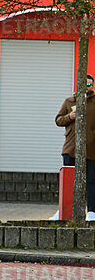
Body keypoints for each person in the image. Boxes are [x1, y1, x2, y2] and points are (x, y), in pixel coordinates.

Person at [55, 74, 95, 220]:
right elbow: (58, 120)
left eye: (89, 85)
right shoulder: (69, 101)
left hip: (91, 149)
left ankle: (91, 212)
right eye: (83, 84)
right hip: (71, 148)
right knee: (68, 180)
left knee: (91, 180)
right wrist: (69, 117)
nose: (86, 87)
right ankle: (64, 211)